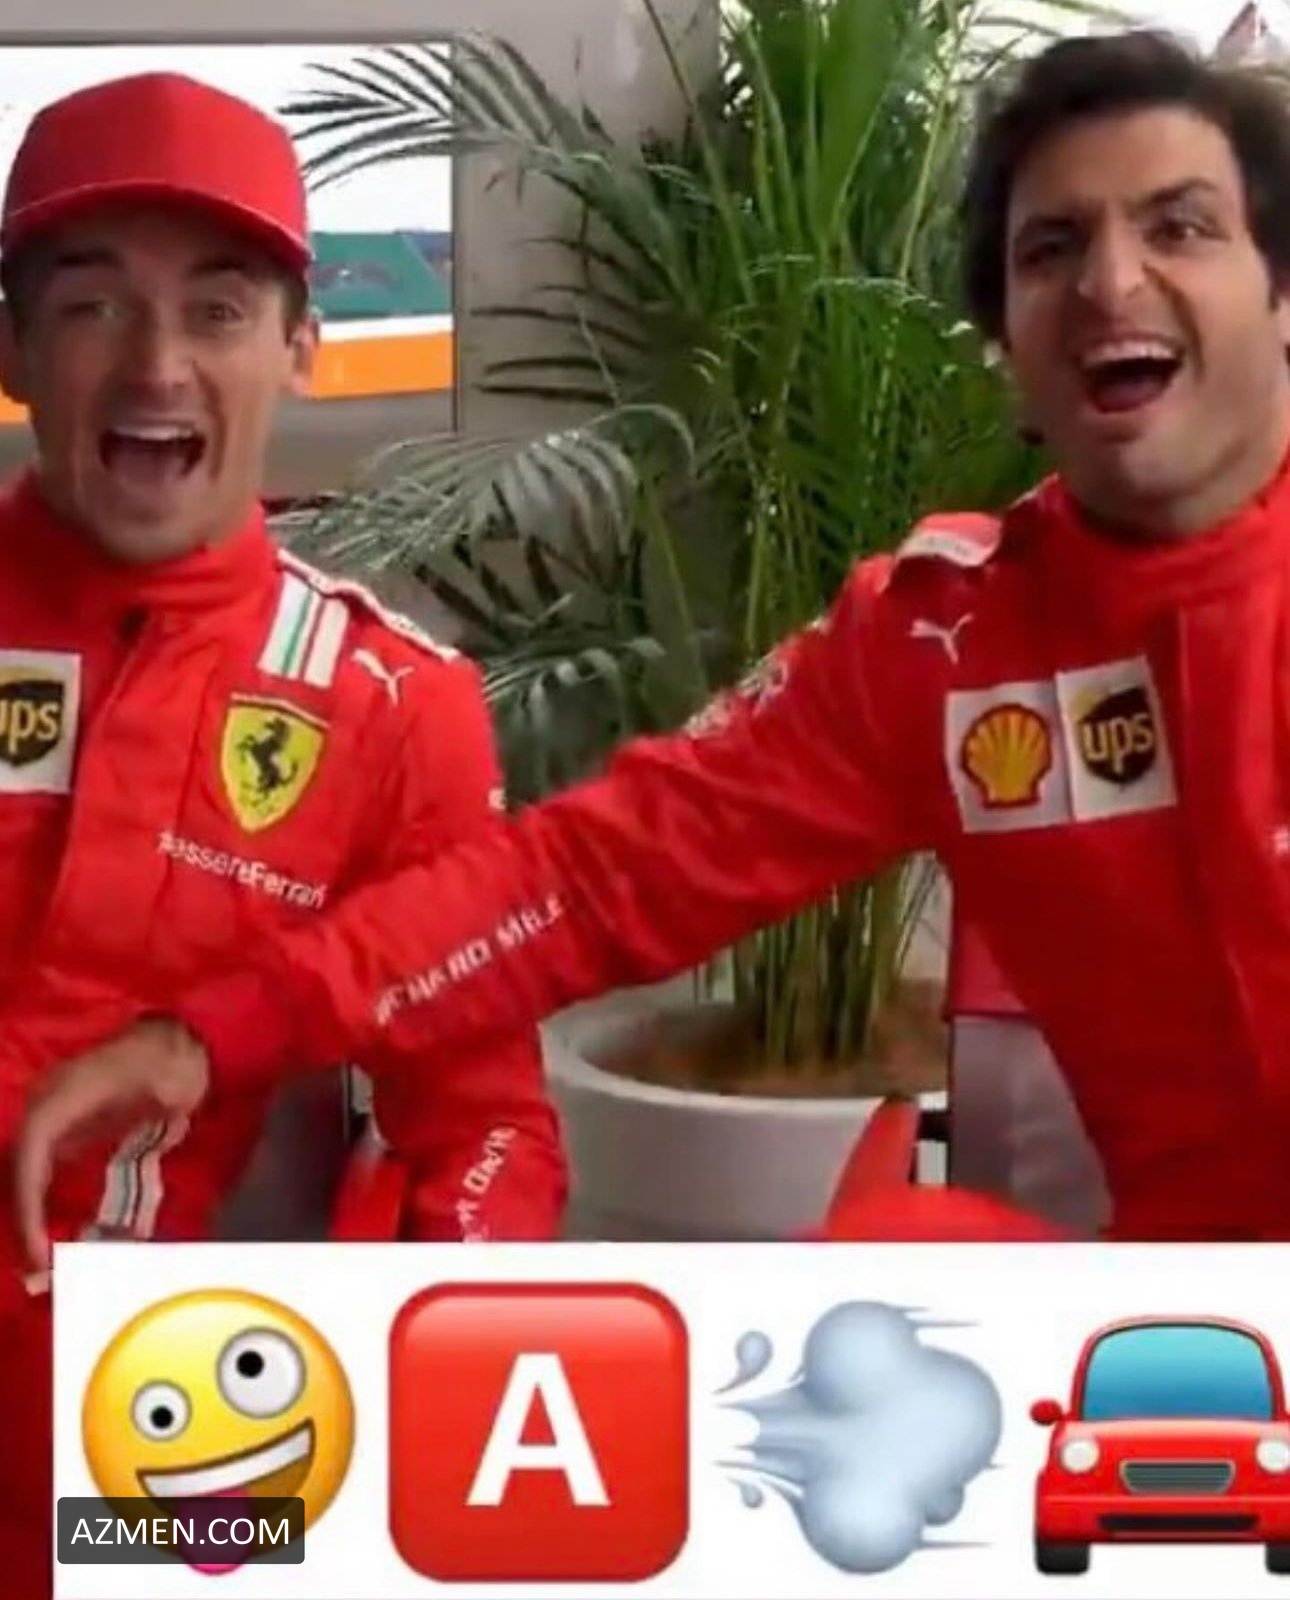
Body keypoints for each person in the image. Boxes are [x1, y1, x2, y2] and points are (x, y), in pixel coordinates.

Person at [18, 23, 1290, 1256]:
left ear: (1281, 292)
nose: (1111, 283)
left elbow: (484, 1122)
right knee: (891, 1277)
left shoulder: (380, 693)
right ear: (1004, 339)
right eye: (1052, 248)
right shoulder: (948, 641)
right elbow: (590, 880)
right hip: (1200, 1342)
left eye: (1180, 227)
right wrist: (216, 1031)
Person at [0, 71, 567, 1598]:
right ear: (14, 351)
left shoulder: (393, 706)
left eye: (219, 308)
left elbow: (481, 1122)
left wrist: (438, 1379)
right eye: (92, 306)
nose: (157, 363)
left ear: (300, 347)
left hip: (142, 1458)